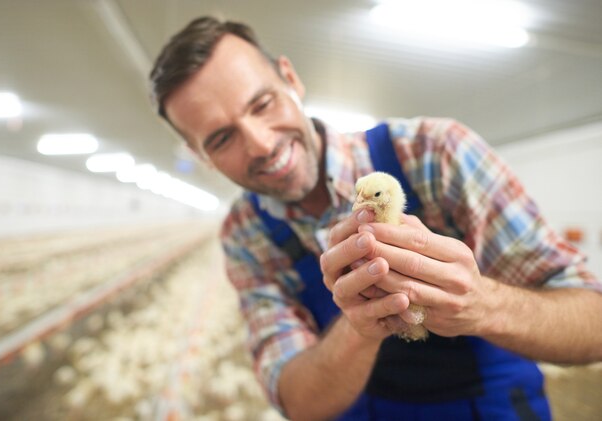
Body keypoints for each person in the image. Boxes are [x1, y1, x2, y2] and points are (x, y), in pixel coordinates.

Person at [149, 16, 602, 421]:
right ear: (199, 156)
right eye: (223, 137)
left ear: (290, 78)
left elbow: (594, 321)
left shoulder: (436, 155)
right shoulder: (246, 233)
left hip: (486, 405)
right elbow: (299, 402)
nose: (262, 144)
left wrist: (481, 303)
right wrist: (359, 323)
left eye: (263, 103)